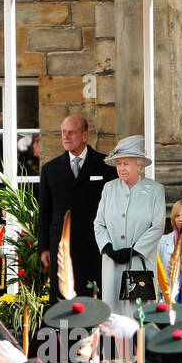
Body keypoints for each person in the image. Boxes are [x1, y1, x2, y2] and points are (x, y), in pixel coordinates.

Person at [38, 115, 114, 295]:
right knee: (63, 298)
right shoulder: (50, 169)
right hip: (62, 245)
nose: (66, 137)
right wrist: (44, 248)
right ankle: (64, 325)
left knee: (94, 294)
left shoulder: (106, 166)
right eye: (63, 133)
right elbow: (45, 212)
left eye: (71, 132)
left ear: (85, 135)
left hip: (94, 245)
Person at [93, 135, 166, 315]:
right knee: (113, 314)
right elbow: (99, 223)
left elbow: (157, 226)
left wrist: (134, 250)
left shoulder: (155, 190)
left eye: (126, 163)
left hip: (140, 262)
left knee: (138, 314)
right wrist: (108, 248)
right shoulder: (109, 188)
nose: (121, 168)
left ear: (139, 165)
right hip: (112, 262)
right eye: (118, 164)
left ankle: (139, 344)